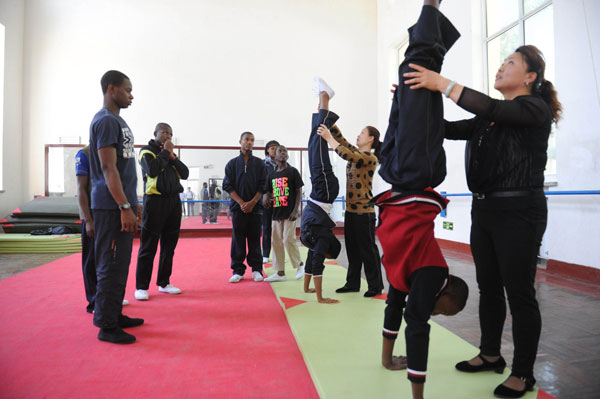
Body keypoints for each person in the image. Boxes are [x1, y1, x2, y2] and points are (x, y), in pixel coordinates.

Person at [404, 39, 562, 398]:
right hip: (486, 209)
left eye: (510, 61)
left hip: (519, 211)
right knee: (489, 287)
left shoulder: (534, 109)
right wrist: (413, 98)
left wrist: (442, 83)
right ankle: (491, 354)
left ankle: (523, 373)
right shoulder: (487, 119)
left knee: (519, 293)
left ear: (530, 76)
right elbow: (445, 128)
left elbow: (490, 106)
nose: (501, 67)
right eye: (502, 61)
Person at [372, 2, 469, 398]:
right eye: (444, 309)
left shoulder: (405, 278)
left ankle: (431, 30)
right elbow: (416, 323)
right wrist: (418, 393)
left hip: (400, 177)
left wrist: (386, 359)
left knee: (410, 88)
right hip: (409, 178)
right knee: (417, 78)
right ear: (445, 293)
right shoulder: (427, 273)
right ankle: (431, 8)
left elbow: (397, 311)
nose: (437, 312)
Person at [88, 70, 143, 344]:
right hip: (110, 208)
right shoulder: (106, 121)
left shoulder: (118, 122)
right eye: (127, 90)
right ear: (112, 89)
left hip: (122, 204)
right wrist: (123, 206)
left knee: (120, 263)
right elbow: (108, 167)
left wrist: (134, 202)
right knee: (109, 264)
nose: (131, 95)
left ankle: (113, 312)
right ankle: (106, 325)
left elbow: (124, 168)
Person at [316, 123, 384, 297]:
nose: (358, 135)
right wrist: (330, 122)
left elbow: (345, 153)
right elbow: (342, 142)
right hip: (352, 212)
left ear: (371, 139)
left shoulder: (370, 157)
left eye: (362, 133)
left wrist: (328, 138)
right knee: (353, 250)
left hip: (364, 213)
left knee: (367, 250)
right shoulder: (358, 153)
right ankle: (352, 283)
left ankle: (375, 286)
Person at [133, 123, 189, 301]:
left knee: (169, 246)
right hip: (155, 202)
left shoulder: (170, 154)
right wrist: (166, 152)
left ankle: (164, 283)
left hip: (173, 202)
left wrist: (173, 158)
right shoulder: (146, 151)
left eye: (171, 133)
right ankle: (141, 287)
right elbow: (152, 170)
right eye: (165, 132)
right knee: (148, 246)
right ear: (155, 133)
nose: (168, 136)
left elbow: (185, 173)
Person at [300, 77, 342, 304]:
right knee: (317, 145)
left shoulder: (315, 242)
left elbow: (309, 262)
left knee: (314, 143)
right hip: (324, 191)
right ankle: (324, 99)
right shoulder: (323, 241)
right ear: (329, 252)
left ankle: (323, 102)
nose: (321, 257)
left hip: (320, 192)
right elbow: (316, 264)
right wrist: (320, 298)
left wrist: (306, 288)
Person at [75, 146, 129, 314]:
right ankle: (94, 300)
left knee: (109, 259)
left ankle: (107, 297)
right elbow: (81, 189)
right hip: (93, 214)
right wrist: (88, 220)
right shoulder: (84, 154)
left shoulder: (113, 152)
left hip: (110, 212)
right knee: (92, 259)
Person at [223, 131, 267, 283]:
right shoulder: (232, 164)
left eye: (252, 140)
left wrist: (252, 203)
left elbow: (263, 185)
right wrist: (242, 203)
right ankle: (238, 270)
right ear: (240, 142)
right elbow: (227, 186)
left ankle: (256, 270)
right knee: (238, 240)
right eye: (246, 139)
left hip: (255, 209)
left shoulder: (260, 164)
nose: (249, 142)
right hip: (238, 209)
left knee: (255, 239)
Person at [263, 145, 305, 282]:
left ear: (287, 156)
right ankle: (280, 273)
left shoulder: (293, 171)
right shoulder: (272, 175)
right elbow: (268, 191)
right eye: (279, 151)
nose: (283, 153)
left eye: (285, 151)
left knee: (288, 239)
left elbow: (298, 192)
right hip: (276, 213)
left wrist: (295, 210)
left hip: (289, 213)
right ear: (274, 156)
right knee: (276, 242)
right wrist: (265, 196)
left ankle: (299, 265)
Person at [262, 140, 280, 262]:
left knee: (279, 228)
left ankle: (279, 254)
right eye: (272, 148)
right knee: (266, 228)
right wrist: (264, 195)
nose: (274, 150)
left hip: (280, 200)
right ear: (267, 150)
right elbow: (260, 182)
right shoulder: (262, 164)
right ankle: (266, 254)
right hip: (266, 200)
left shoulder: (283, 164)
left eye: (276, 148)